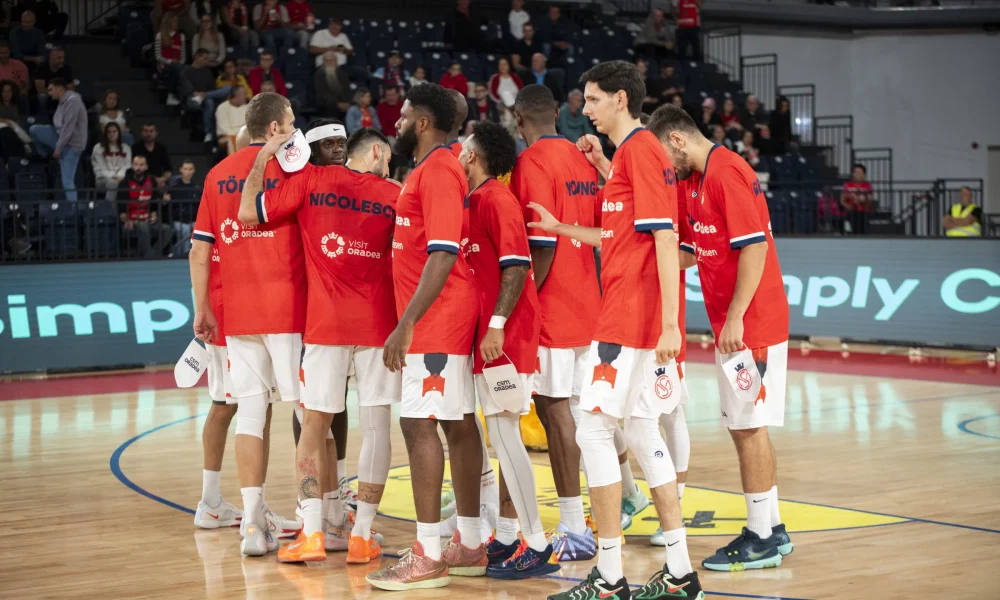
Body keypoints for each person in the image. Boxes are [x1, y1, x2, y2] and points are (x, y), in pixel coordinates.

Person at [543, 61, 703, 600]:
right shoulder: (630, 157)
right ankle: (679, 572)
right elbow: (620, 237)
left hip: (629, 320)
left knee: (591, 430)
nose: (584, 108)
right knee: (640, 431)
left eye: (592, 99)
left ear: (619, 99)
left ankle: (610, 577)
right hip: (631, 317)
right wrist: (562, 225)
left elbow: (665, 239)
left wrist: (669, 325)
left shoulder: (642, 152)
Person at [239, 124, 398, 564]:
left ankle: (311, 532)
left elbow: (249, 213)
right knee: (377, 428)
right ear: (373, 153)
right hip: (379, 324)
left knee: (312, 428)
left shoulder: (309, 181)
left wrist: (261, 156)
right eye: (387, 159)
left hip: (327, 325)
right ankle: (360, 535)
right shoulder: (392, 193)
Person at [647, 101, 794, 573]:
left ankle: (761, 537)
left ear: (677, 140)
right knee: (745, 425)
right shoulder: (695, 180)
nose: (664, 169)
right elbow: (693, 251)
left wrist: (735, 318)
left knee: (748, 426)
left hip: (752, 324)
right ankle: (773, 526)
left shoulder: (727, 172)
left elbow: (754, 249)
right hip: (734, 324)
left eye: (662, 157)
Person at [365, 83, 483, 591]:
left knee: (418, 424)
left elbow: (444, 251)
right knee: (456, 423)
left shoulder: (436, 170)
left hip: (437, 316)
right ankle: (470, 542)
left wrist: (407, 322)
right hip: (443, 313)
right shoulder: (433, 167)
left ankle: (428, 553)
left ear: (423, 122)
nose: (395, 122)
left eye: (404, 114)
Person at [191, 92, 304, 557]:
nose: (295, 130)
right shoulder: (293, 169)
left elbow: (199, 251)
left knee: (250, 414)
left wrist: (202, 308)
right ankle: (320, 518)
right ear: (274, 128)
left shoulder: (217, 173)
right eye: (291, 122)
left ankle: (253, 526)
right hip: (287, 310)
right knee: (308, 413)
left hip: (237, 313)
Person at [457, 120, 560, 579]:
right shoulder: (476, 199)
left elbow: (517, 267)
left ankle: (537, 544)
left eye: (463, 148)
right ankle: (505, 536)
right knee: (499, 435)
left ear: (474, 156)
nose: (458, 153)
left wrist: (497, 325)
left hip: (507, 336)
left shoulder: (497, 199)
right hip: (491, 335)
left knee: (504, 435)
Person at [509, 84, 599, 563]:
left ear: (518, 119)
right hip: (588, 300)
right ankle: (599, 515)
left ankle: (573, 526)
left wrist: (521, 300)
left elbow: (542, 244)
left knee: (555, 411)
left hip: (553, 307)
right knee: (584, 417)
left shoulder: (531, 162)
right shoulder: (581, 157)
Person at [28, 78, 85, 202]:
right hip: (59, 136)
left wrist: (58, 148)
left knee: (67, 181)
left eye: (50, 89)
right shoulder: (63, 101)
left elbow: (69, 128)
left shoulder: (72, 101)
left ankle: (73, 209)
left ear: (59, 88)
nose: (48, 93)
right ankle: (44, 154)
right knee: (34, 129)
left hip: (71, 145)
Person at [117, 154, 172, 258]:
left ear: (146, 167)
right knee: (142, 226)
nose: (138, 167)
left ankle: (153, 254)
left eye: (141, 165)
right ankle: (149, 257)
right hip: (132, 223)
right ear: (132, 166)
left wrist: (154, 214)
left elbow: (154, 203)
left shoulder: (151, 181)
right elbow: (121, 210)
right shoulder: (125, 183)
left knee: (167, 229)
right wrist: (127, 221)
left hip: (148, 220)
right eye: (136, 164)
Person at [182, 49, 234, 143]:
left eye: (207, 59)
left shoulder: (207, 71)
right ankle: (208, 132)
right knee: (206, 102)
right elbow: (185, 86)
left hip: (206, 96)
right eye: (205, 59)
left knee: (228, 88)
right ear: (197, 57)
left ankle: (208, 134)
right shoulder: (187, 70)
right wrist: (195, 93)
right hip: (192, 97)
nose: (207, 62)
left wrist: (204, 94)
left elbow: (213, 88)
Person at [165, 159, 200, 256]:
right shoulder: (173, 187)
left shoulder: (197, 188)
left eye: (190, 169)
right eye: (185, 169)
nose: (188, 172)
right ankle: (183, 255)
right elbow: (167, 203)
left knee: (198, 230)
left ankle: (191, 255)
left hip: (193, 220)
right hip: (178, 220)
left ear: (194, 170)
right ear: (181, 170)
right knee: (185, 230)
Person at [92, 122, 132, 202]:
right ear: (105, 134)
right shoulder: (98, 148)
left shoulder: (126, 148)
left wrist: (119, 176)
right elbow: (100, 168)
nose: (112, 134)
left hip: (121, 178)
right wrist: (114, 177)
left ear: (118, 133)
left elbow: (127, 165)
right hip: (102, 179)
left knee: (127, 184)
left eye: (114, 131)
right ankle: (109, 208)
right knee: (113, 183)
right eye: (109, 132)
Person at [155, 14, 187, 105]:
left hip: (178, 65)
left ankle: (174, 95)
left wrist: (180, 62)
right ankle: (173, 94)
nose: (177, 23)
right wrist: (170, 61)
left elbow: (183, 56)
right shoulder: (160, 35)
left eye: (177, 21)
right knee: (179, 69)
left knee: (179, 69)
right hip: (164, 64)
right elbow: (158, 56)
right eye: (174, 21)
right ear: (168, 22)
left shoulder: (181, 36)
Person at [132, 123, 174, 187]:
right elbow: (132, 169)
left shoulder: (162, 148)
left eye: (151, 131)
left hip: (159, 181)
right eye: (146, 131)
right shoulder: (135, 147)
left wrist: (162, 179)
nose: (148, 134)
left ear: (156, 133)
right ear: (141, 133)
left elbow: (168, 170)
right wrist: (150, 180)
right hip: (140, 180)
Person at [313, 50, 351, 119]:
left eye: (332, 60)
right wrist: (337, 104)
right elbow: (320, 94)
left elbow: (347, 90)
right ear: (324, 62)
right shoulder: (318, 75)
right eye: (327, 61)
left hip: (344, 104)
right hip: (327, 105)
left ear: (336, 61)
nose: (330, 62)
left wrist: (347, 103)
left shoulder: (343, 74)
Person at [841, 163, 873, 234]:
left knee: (863, 232)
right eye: (856, 172)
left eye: (860, 172)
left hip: (863, 212)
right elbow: (842, 199)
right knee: (852, 231)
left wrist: (864, 200)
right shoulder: (847, 185)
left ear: (864, 174)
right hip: (851, 212)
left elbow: (870, 200)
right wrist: (848, 206)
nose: (858, 174)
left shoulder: (867, 185)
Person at [216, 85, 248, 154]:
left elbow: (248, 126)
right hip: (226, 136)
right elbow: (223, 128)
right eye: (244, 94)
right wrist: (238, 134)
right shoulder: (222, 107)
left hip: (244, 135)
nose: (246, 96)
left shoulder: (248, 108)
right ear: (237, 95)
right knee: (231, 139)